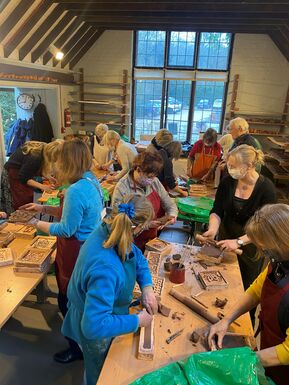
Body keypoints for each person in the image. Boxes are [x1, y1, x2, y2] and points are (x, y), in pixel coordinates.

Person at [20, 138, 104, 364]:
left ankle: (77, 348)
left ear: (68, 162)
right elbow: (74, 213)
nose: (55, 166)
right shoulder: (91, 180)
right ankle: (81, 339)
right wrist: (43, 208)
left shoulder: (76, 190)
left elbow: (67, 228)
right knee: (78, 298)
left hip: (76, 250)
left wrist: (36, 222)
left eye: (57, 161)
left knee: (68, 301)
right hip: (89, 246)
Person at [62, 195, 157, 385]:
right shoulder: (105, 268)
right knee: (99, 375)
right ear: (137, 229)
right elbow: (94, 326)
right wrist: (137, 320)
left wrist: (147, 287)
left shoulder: (110, 228)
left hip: (97, 311)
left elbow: (136, 257)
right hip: (94, 326)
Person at [208, 204, 289, 385]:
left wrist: (241, 360)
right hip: (270, 350)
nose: (265, 254)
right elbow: (256, 290)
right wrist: (226, 320)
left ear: (282, 241)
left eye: (267, 249)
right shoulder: (281, 260)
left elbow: (286, 352)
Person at [198, 144, 277, 291]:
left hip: (250, 247)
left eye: (233, 166)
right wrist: (213, 228)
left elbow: (265, 228)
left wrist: (239, 242)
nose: (229, 169)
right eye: (229, 165)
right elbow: (217, 209)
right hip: (224, 240)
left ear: (248, 166)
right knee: (219, 282)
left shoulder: (267, 189)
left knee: (243, 288)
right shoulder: (228, 182)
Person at [112, 151, 178, 250]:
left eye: (154, 176)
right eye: (149, 177)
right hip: (130, 242)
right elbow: (119, 222)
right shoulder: (122, 188)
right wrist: (146, 225)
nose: (152, 180)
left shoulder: (154, 182)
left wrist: (172, 217)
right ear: (138, 170)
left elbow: (170, 205)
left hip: (151, 240)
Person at [1, 141, 57, 213]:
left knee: (27, 198)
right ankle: (17, 222)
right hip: (12, 174)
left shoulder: (45, 149)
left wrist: (48, 177)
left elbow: (31, 169)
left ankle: (25, 220)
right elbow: (24, 178)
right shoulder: (36, 156)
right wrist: (43, 187)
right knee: (20, 201)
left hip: (20, 173)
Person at [147, 129, 188, 197]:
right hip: (155, 187)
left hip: (152, 185)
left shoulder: (160, 152)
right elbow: (170, 182)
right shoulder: (166, 160)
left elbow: (168, 174)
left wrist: (173, 177)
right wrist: (183, 192)